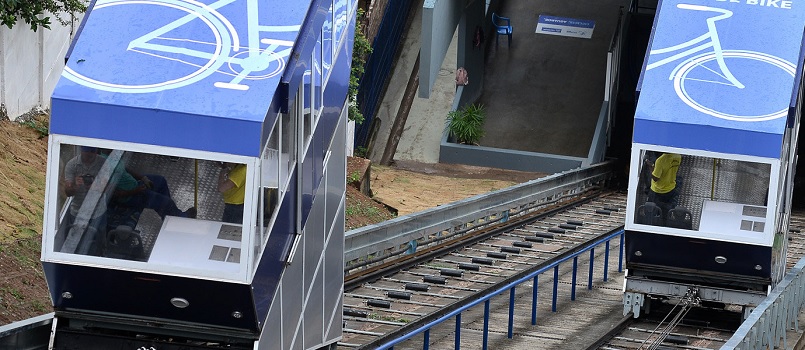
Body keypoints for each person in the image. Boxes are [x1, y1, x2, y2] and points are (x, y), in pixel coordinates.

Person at [648, 153, 682, 219]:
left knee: (651, 212)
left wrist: (651, 167)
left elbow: (655, 178)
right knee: (666, 212)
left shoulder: (660, 160)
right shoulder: (678, 156)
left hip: (657, 191)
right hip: (671, 188)